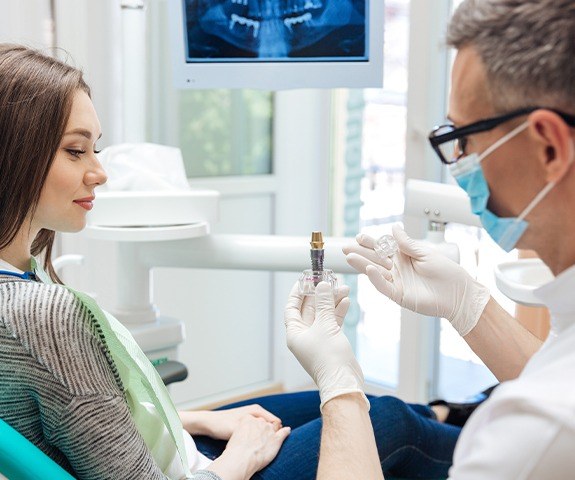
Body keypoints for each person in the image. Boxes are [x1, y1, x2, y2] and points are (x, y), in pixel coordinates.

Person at [0, 43, 468, 480]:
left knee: (376, 404)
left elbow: (87, 418)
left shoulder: (20, 275)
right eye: (75, 150)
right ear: (12, 154)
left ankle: (462, 414)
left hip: (172, 445)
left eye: (95, 149)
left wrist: (201, 417)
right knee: (390, 423)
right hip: (199, 471)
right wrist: (238, 458)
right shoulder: (44, 315)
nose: (99, 173)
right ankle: (507, 443)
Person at [287, 0, 575, 478]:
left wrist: (339, 387)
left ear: (548, 145)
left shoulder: (535, 432)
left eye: (464, 136)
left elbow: (553, 406)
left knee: (396, 421)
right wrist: (468, 303)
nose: (459, 159)